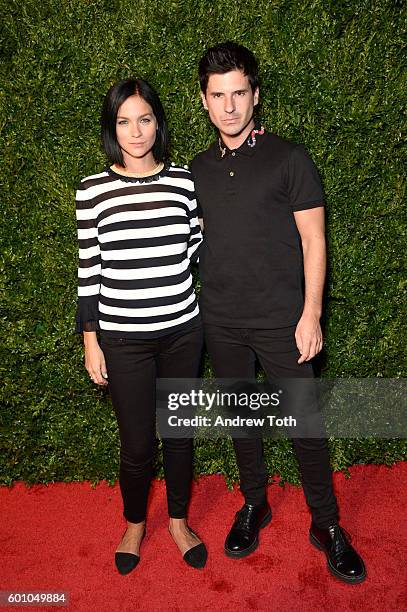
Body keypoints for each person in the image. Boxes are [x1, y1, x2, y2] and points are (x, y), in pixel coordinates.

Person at [190, 42, 366, 583]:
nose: (229, 106)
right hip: (220, 320)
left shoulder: (290, 158)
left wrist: (311, 314)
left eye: (239, 93)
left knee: (305, 425)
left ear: (255, 95)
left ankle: (327, 525)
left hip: (283, 321)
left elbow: (315, 240)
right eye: (218, 96)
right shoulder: (195, 170)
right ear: (204, 101)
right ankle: (254, 505)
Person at [75, 78, 207, 574]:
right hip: (123, 340)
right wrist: (92, 342)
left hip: (182, 332)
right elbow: (89, 272)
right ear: (113, 127)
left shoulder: (184, 183)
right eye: (124, 121)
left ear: (158, 122)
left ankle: (177, 520)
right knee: (135, 445)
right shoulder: (92, 191)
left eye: (145, 119)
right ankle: (134, 523)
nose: (136, 131)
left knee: (178, 434)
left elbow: (194, 250)